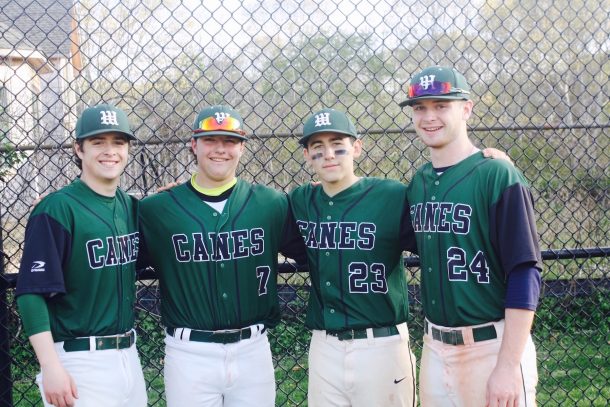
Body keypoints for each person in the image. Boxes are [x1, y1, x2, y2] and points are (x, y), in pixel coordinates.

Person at [138, 105, 307, 407]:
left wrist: (329, 193)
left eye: (229, 141)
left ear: (241, 147)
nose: (220, 149)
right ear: (194, 145)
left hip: (253, 349)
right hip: (189, 352)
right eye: (210, 140)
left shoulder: (270, 203)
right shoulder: (157, 209)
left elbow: (315, 249)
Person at [399, 66, 542, 406]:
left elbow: (525, 271)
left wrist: (507, 368)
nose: (429, 116)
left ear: (466, 109)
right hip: (435, 347)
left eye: (441, 106)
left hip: (493, 344)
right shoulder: (419, 183)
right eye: (420, 107)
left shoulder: (497, 174)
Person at [15, 104, 147, 407]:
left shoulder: (129, 206)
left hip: (128, 353)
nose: (110, 151)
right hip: (78, 359)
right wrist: (51, 367)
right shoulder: (56, 209)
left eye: (118, 142)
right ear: (79, 149)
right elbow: (30, 294)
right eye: (98, 142)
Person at [289, 108, 418, 407]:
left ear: (357, 147)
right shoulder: (300, 201)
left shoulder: (391, 195)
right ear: (307, 156)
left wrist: (483, 162)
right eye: (317, 148)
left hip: (382, 344)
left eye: (338, 143)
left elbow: (437, 235)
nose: (329, 154)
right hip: (325, 346)